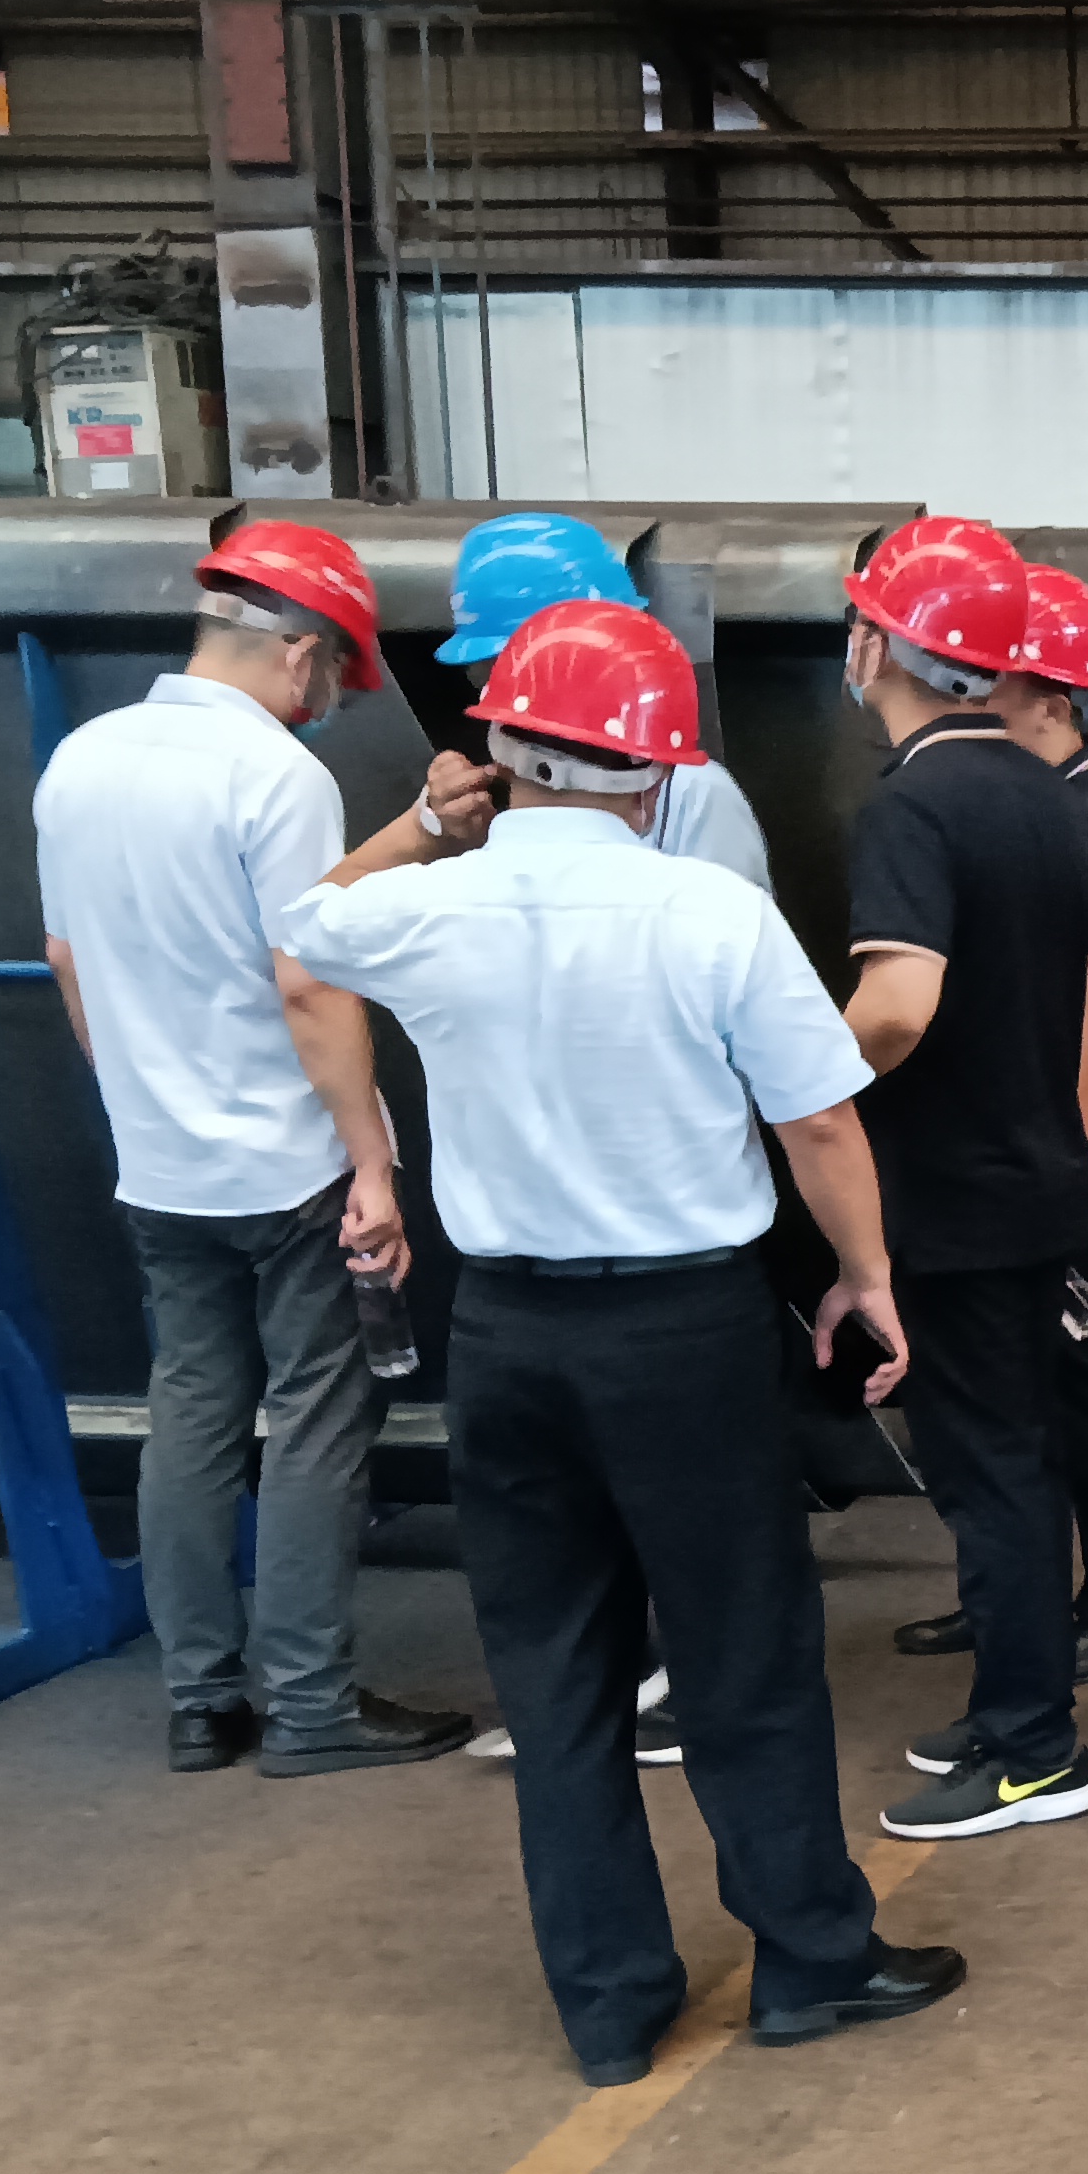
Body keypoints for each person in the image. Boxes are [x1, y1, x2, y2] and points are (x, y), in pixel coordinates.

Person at [271, 599, 960, 2082]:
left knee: (554, 1670)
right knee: (742, 1652)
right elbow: (819, 1120)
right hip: (684, 1332)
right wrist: (866, 1275)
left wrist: (424, 824)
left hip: (508, 1334)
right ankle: (809, 1964)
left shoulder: (434, 907)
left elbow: (307, 927)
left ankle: (609, 2003)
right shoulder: (708, 913)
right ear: (656, 771)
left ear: (498, 747)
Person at [31, 517, 464, 1778]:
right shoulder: (275, 774)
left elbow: (66, 959)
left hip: (162, 1165)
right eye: (335, 681)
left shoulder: (81, 761)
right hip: (287, 1165)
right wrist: (373, 1162)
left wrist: (142, 1100)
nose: (326, 707)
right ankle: (314, 1706)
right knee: (320, 1416)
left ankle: (201, 1702)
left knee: (193, 1411)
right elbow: (307, 977)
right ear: (304, 652)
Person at [424, 511, 773, 1772]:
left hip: (656, 1209)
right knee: (574, 1513)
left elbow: (738, 1007)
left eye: (500, 657)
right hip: (538, 1212)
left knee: (689, 1506)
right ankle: (611, 1684)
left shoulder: (690, 795)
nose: (489, 687)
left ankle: (678, 1684)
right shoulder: (499, 809)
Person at [837, 514, 1088, 1841]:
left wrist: (796, 1088)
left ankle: (1034, 1750)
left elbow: (897, 1006)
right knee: (1009, 1461)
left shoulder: (913, 804)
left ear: (886, 647)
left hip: (952, 1197)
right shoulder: (1050, 796)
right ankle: (1015, 1703)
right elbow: (1080, 997)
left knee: (990, 1473)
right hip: (1033, 1181)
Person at [891, 562, 1088, 1710]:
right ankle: (1015, 1593)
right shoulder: (1028, 806)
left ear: (1049, 698)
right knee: (1013, 1396)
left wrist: (1076, 1170)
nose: (966, 698)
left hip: (1074, 1170)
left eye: (992, 685)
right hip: (1029, 1163)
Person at [421, 510, 773, 891]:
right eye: (489, 671)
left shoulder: (691, 793)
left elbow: (736, 921)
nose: (511, 691)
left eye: (533, 665)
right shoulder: (480, 781)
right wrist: (431, 829)